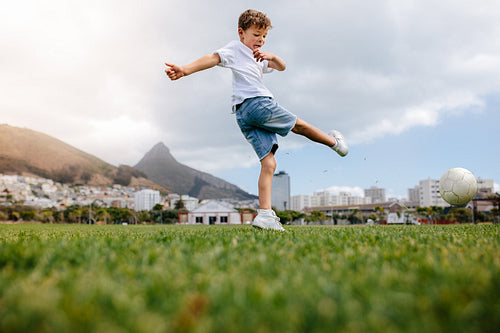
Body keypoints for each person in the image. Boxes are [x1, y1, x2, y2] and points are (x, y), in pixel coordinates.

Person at [165, 9, 348, 231]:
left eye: (263, 37)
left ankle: (264, 215)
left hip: (244, 116)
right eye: (255, 35)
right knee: (299, 125)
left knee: (269, 163)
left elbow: (282, 66)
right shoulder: (235, 48)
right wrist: (184, 69)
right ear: (241, 33)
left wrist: (270, 56)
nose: (260, 40)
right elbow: (212, 59)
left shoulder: (259, 57)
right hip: (257, 104)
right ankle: (335, 144)